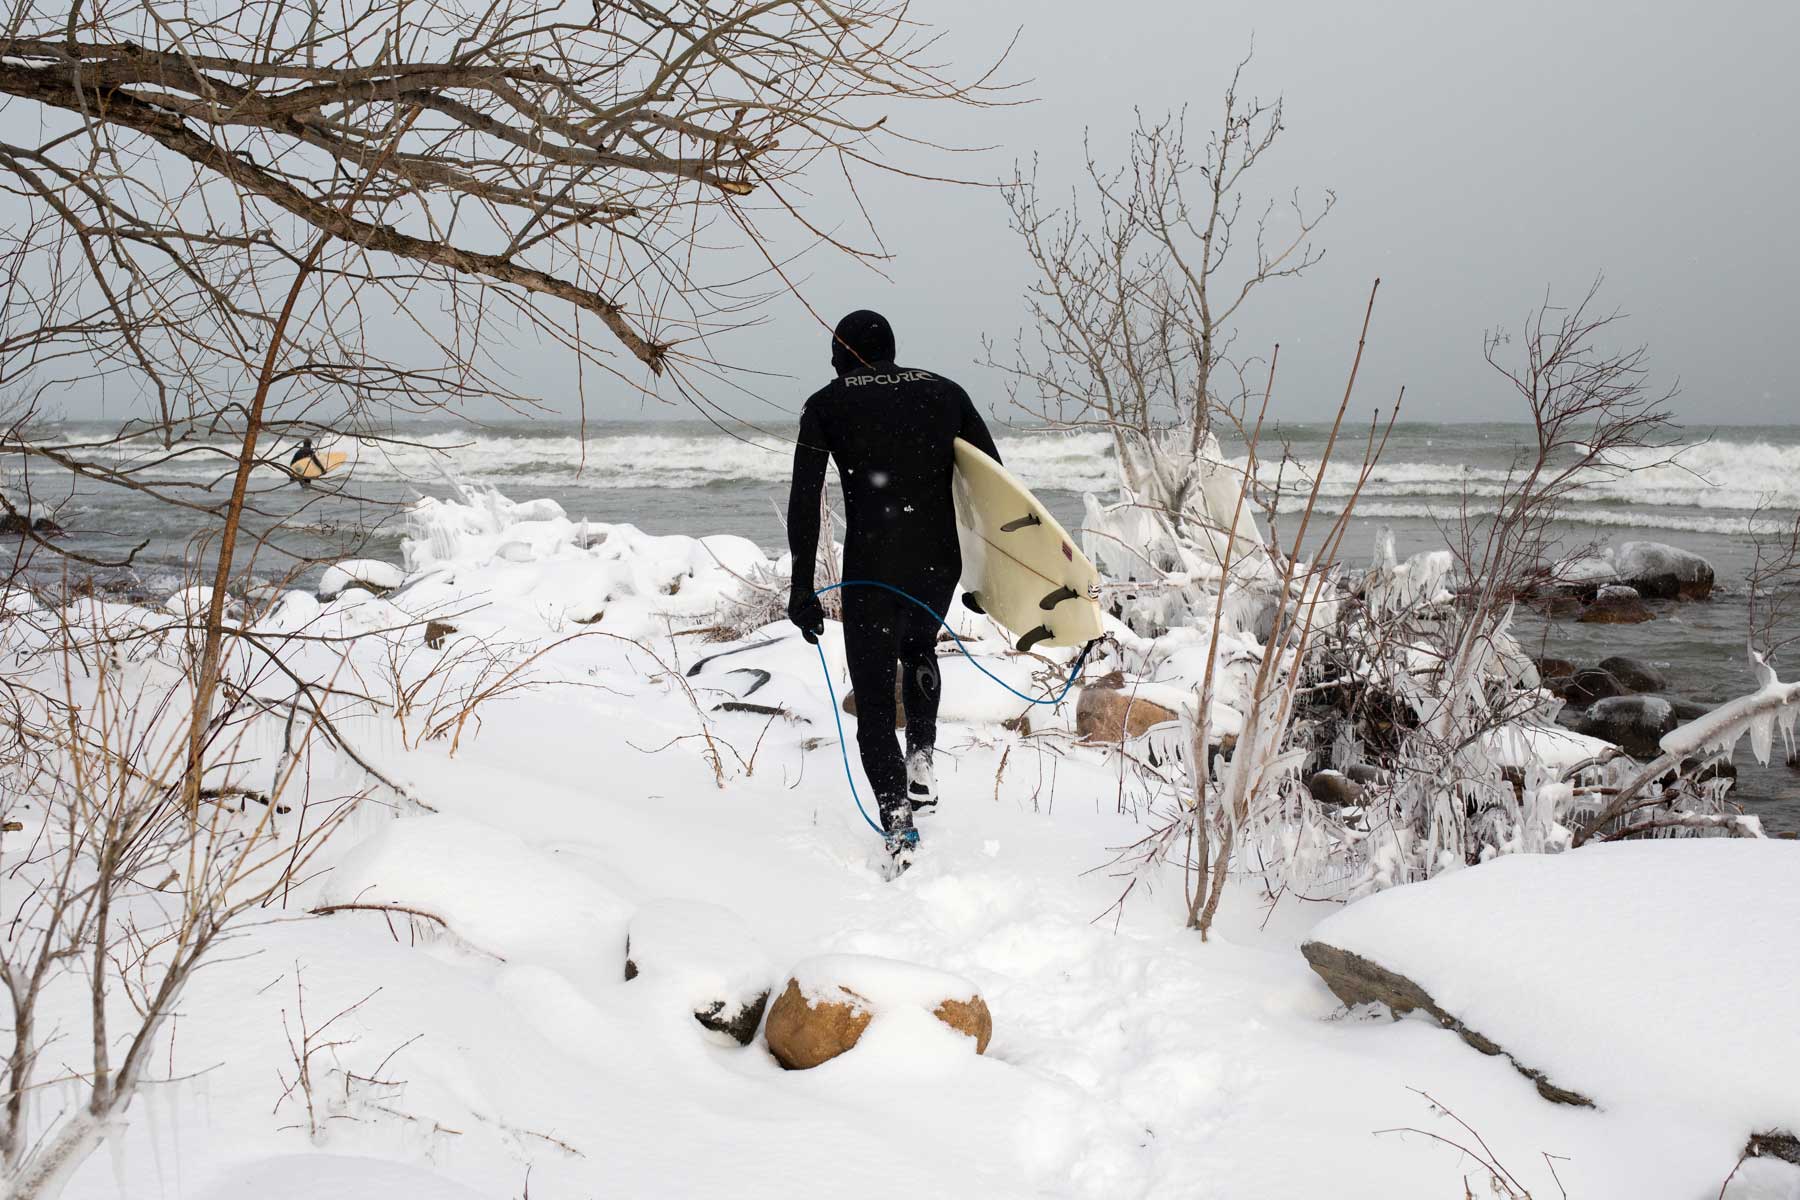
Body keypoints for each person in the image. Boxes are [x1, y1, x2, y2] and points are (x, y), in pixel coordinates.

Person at [786, 310, 1001, 873]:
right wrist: (987, 577)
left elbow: (805, 500)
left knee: (876, 701)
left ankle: (898, 826)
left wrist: (802, 586)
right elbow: (992, 487)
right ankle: (922, 756)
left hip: (872, 566)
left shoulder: (827, 404)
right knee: (919, 647)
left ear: (843, 354)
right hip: (936, 564)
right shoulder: (945, 392)